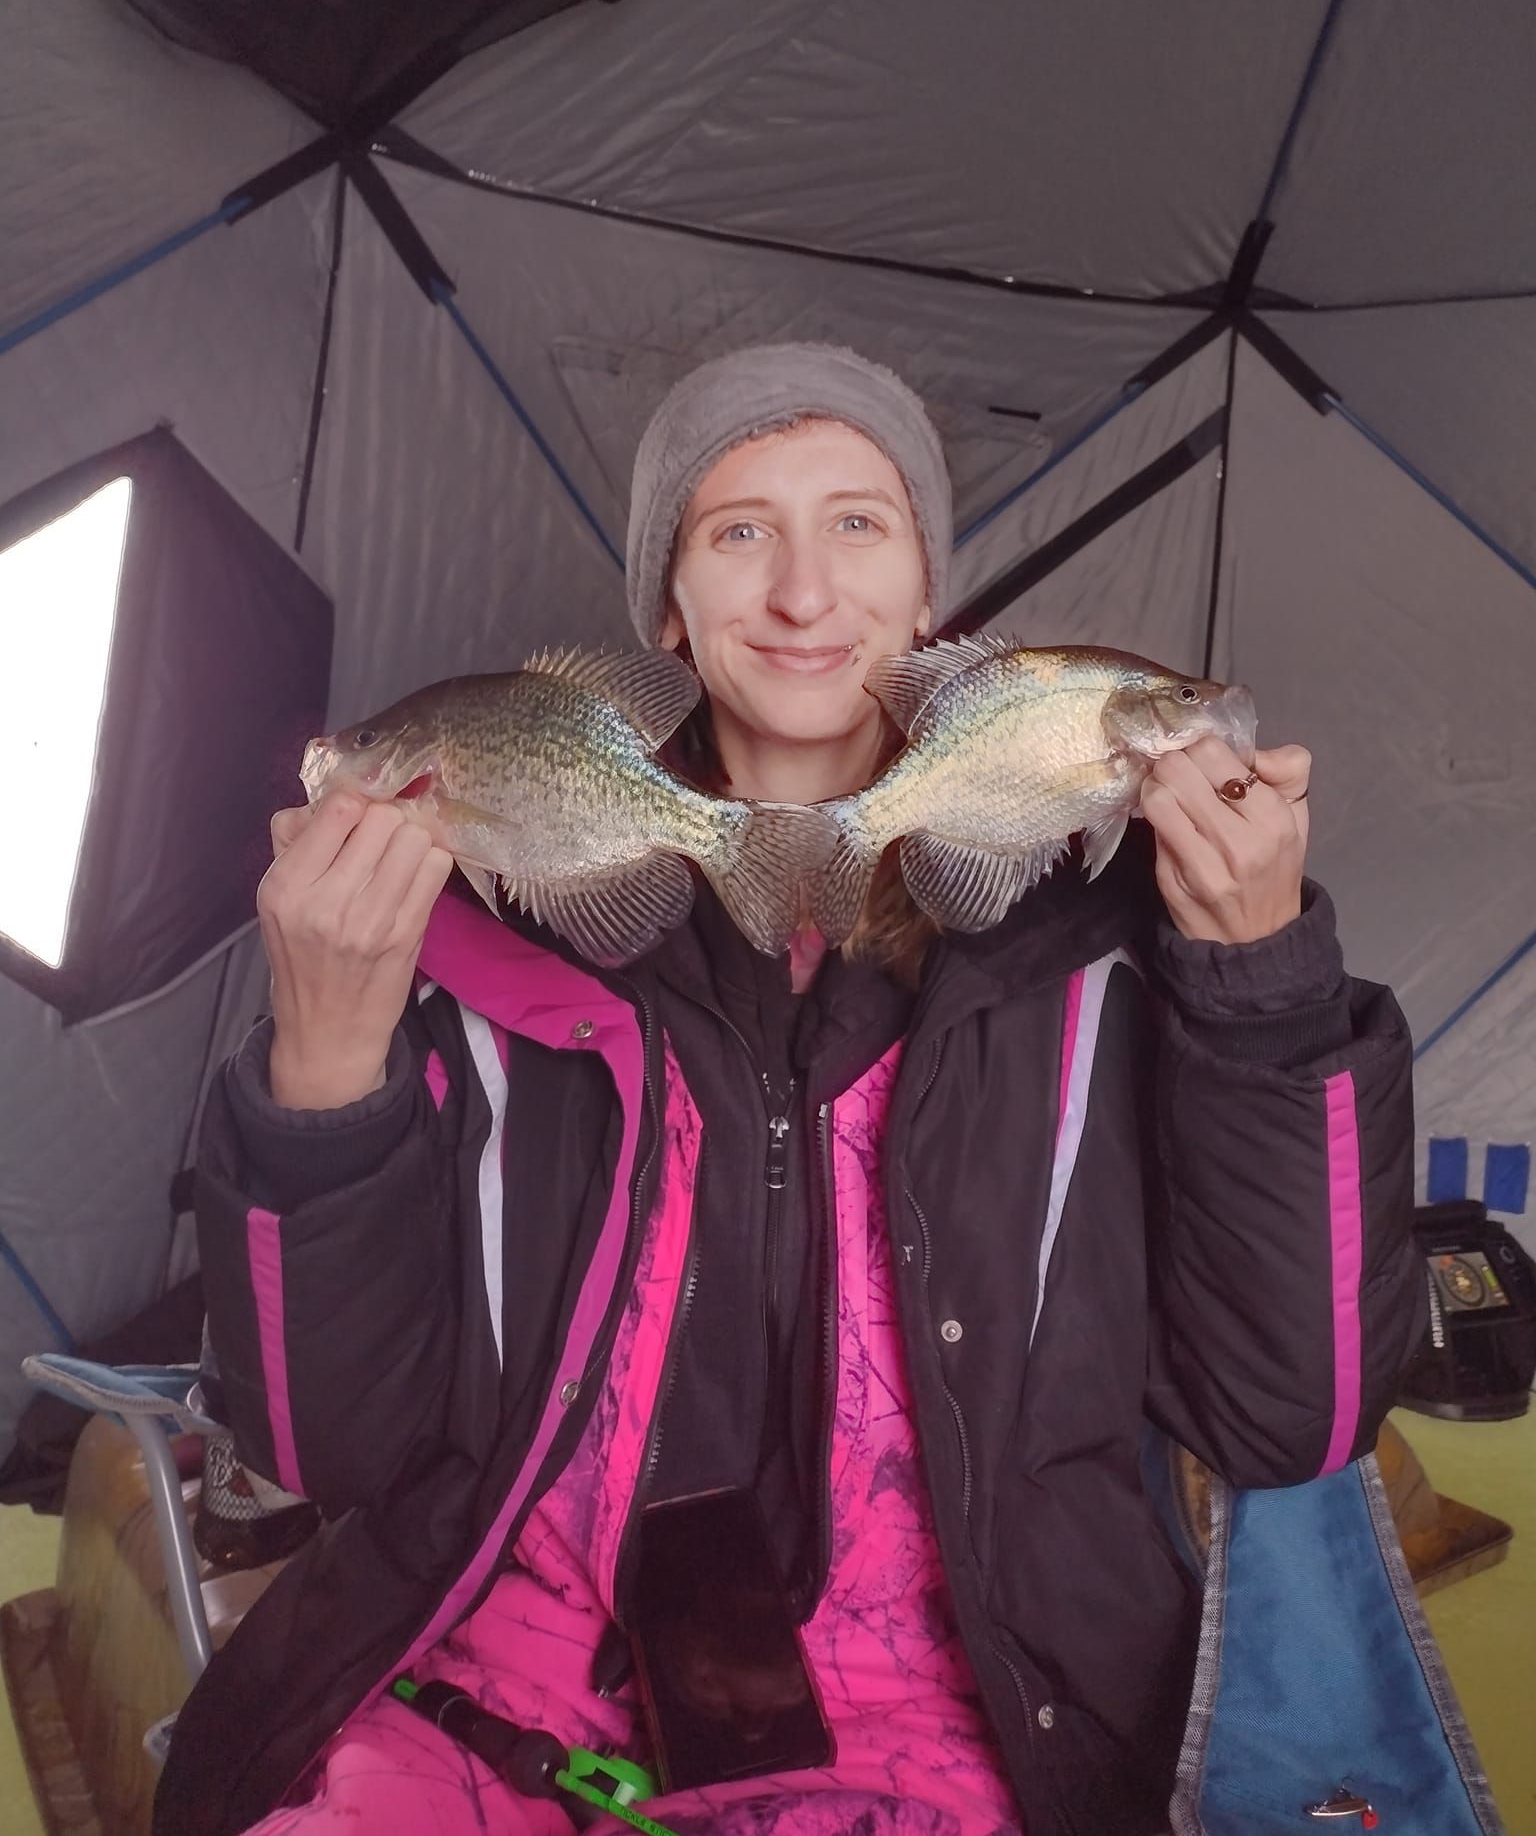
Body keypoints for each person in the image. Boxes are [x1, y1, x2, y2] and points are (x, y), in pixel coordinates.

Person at [157, 344, 1422, 1836]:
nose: (804, 595)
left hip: (972, 1722)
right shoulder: (475, 938)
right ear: (670, 611)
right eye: (739, 529)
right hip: (491, 1700)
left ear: (930, 596)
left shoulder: (1109, 953)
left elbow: (1295, 1415)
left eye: (860, 525)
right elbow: (326, 1457)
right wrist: (324, 1060)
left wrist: (1258, 985)